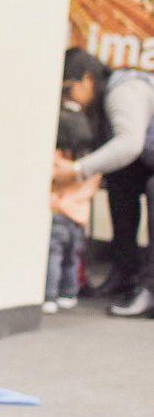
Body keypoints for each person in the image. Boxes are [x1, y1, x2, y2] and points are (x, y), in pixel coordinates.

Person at [51, 48, 154, 317]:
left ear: (87, 80)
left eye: (68, 89)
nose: (67, 99)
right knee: (120, 180)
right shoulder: (99, 105)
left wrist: (77, 171)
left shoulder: (125, 89)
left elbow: (130, 144)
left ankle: (151, 289)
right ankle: (125, 273)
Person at [46, 107, 100, 313]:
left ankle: (49, 295)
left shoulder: (57, 162)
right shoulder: (91, 168)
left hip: (59, 215)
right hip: (78, 220)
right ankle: (68, 293)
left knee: (54, 256)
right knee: (72, 259)